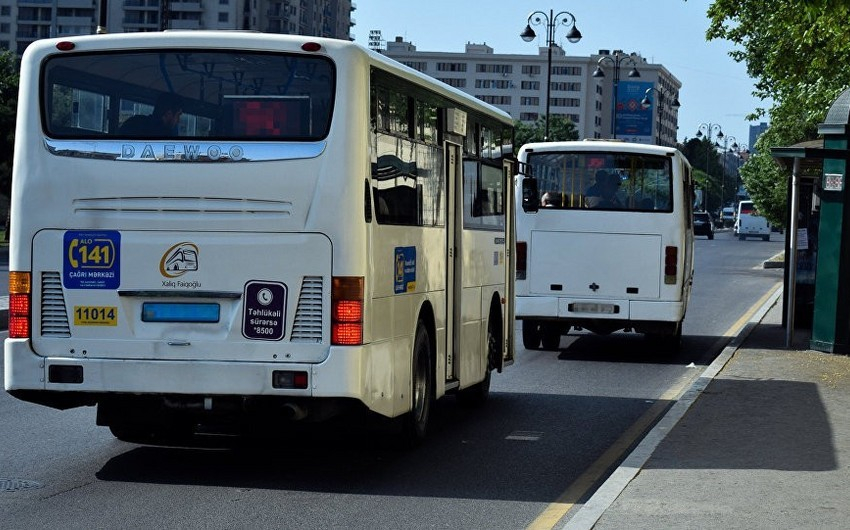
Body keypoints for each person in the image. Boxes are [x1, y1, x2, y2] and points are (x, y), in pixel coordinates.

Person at [118, 93, 183, 137]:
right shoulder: (166, 136)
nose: (178, 120)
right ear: (169, 114)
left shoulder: (133, 122)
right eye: (178, 115)